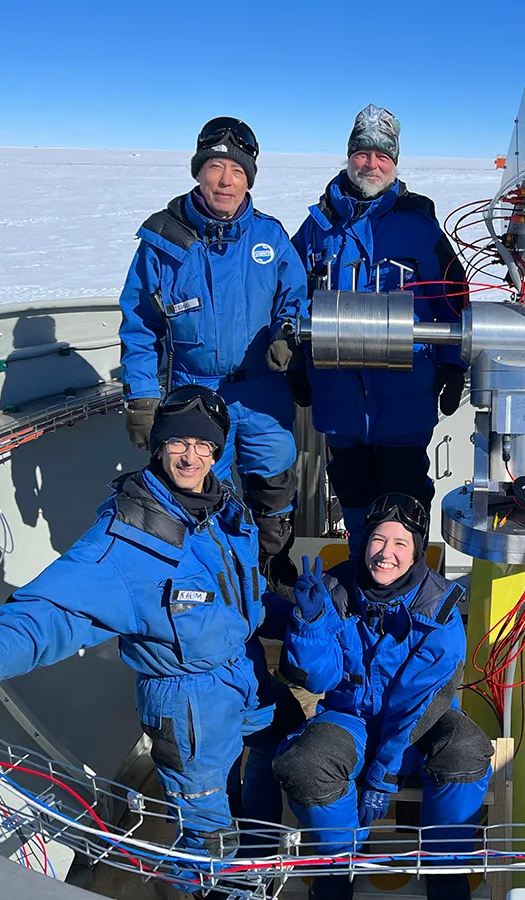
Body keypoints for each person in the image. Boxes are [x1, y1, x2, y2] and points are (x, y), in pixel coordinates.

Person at [0, 386, 305, 880]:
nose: (191, 456)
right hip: (189, 707)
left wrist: (302, 615)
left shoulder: (219, 510)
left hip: (240, 672)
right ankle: (216, 885)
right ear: (159, 445)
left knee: (284, 736)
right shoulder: (123, 541)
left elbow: (239, 593)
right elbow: (52, 614)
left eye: (204, 445)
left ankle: (256, 841)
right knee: (209, 840)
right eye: (178, 442)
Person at [272, 493, 492, 900]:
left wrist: (383, 774)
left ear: (416, 552)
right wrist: (310, 622)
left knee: (466, 751)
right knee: (303, 764)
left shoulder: (439, 608)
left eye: (400, 543)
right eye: (378, 540)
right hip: (351, 718)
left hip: (419, 727)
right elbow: (318, 679)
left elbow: (419, 703)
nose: (385, 553)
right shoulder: (335, 589)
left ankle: (444, 870)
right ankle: (338, 866)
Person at [118, 116, 307, 588]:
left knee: (274, 484)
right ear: (199, 172)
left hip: (262, 391)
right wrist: (142, 397)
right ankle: (213, 582)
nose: (225, 181)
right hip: (194, 392)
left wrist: (287, 332)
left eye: (237, 171)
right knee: (196, 490)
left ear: (249, 180)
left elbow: (294, 298)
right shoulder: (162, 243)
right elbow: (140, 326)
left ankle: (272, 570)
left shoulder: (270, 238)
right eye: (216, 168)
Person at [289, 105, 468, 556]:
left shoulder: (420, 227)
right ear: (349, 156)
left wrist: (453, 364)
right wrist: (294, 361)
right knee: (351, 491)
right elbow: (289, 298)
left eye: (382, 156)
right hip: (338, 397)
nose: (371, 164)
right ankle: (359, 570)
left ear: (395, 163)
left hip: (404, 397)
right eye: (363, 153)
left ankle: (405, 579)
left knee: (404, 500)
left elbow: (453, 299)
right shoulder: (317, 228)